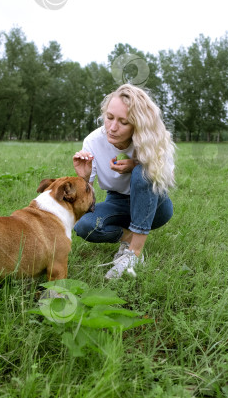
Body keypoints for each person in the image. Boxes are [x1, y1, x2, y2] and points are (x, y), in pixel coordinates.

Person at [73, 84, 176, 279]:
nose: (112, 127)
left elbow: (164, 181)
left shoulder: (153, 140)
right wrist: (84, 177)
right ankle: (131, 238)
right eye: (109, 117)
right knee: (84, 226)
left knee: (144, 171)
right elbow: (86, 203)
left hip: (156, 206)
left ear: (138, 124)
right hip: (117, 201)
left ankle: (134, 254)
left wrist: (138, 164)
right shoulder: (93, 142)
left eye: (123, 122)